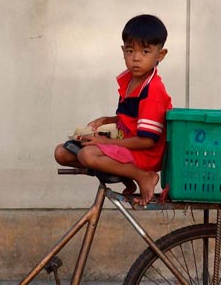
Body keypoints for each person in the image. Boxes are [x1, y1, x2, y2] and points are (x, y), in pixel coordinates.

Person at [54, 14, 173, 205]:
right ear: (122, 51)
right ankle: (124, 173)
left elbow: (147, 141)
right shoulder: (130, 82)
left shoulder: (152, 91)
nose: (135, 58)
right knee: (61, 152)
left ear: (160, 55)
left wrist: (106, 143)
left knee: (87, 154)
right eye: (130, 50)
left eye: (145, 52)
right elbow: (131, 120)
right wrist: (107, 120)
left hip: (145, 155)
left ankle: (142, 176)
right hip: (128, 145)